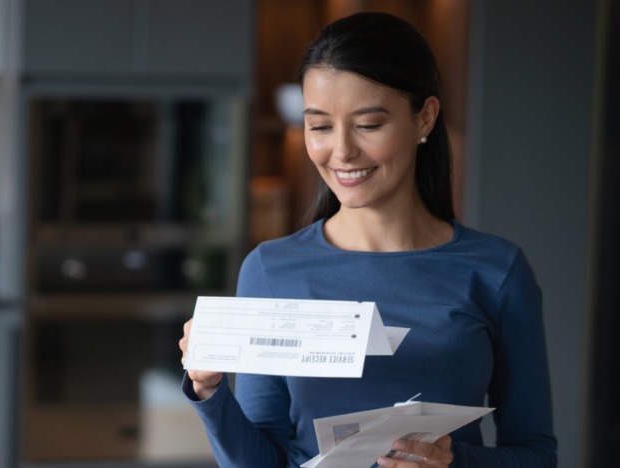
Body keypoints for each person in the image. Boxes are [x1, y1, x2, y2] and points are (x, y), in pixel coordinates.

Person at [178, 11, 557, 468]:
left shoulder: (497, 271)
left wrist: (455, 462)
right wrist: (208, 390)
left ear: (425, 118)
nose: (341, 152)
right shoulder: (270, 269)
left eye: (368, 124)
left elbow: (537, 454)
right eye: (319, 126)